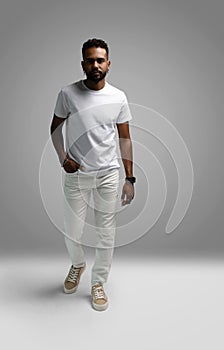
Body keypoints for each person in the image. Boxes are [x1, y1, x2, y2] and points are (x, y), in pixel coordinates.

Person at [50, 38, 136, 311]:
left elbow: (125, 138)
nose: (95, 65)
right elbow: (54, 128)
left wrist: (129, 178)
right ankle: (78, 264)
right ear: (83, 63)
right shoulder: (68, 93)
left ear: (108, 64)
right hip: (77, 175)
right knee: (72, 233)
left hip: (108, 175)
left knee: (105, 234)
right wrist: (63, 158)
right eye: (90, 60)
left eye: (100, 60)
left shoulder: (118, 97)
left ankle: (98, 282)